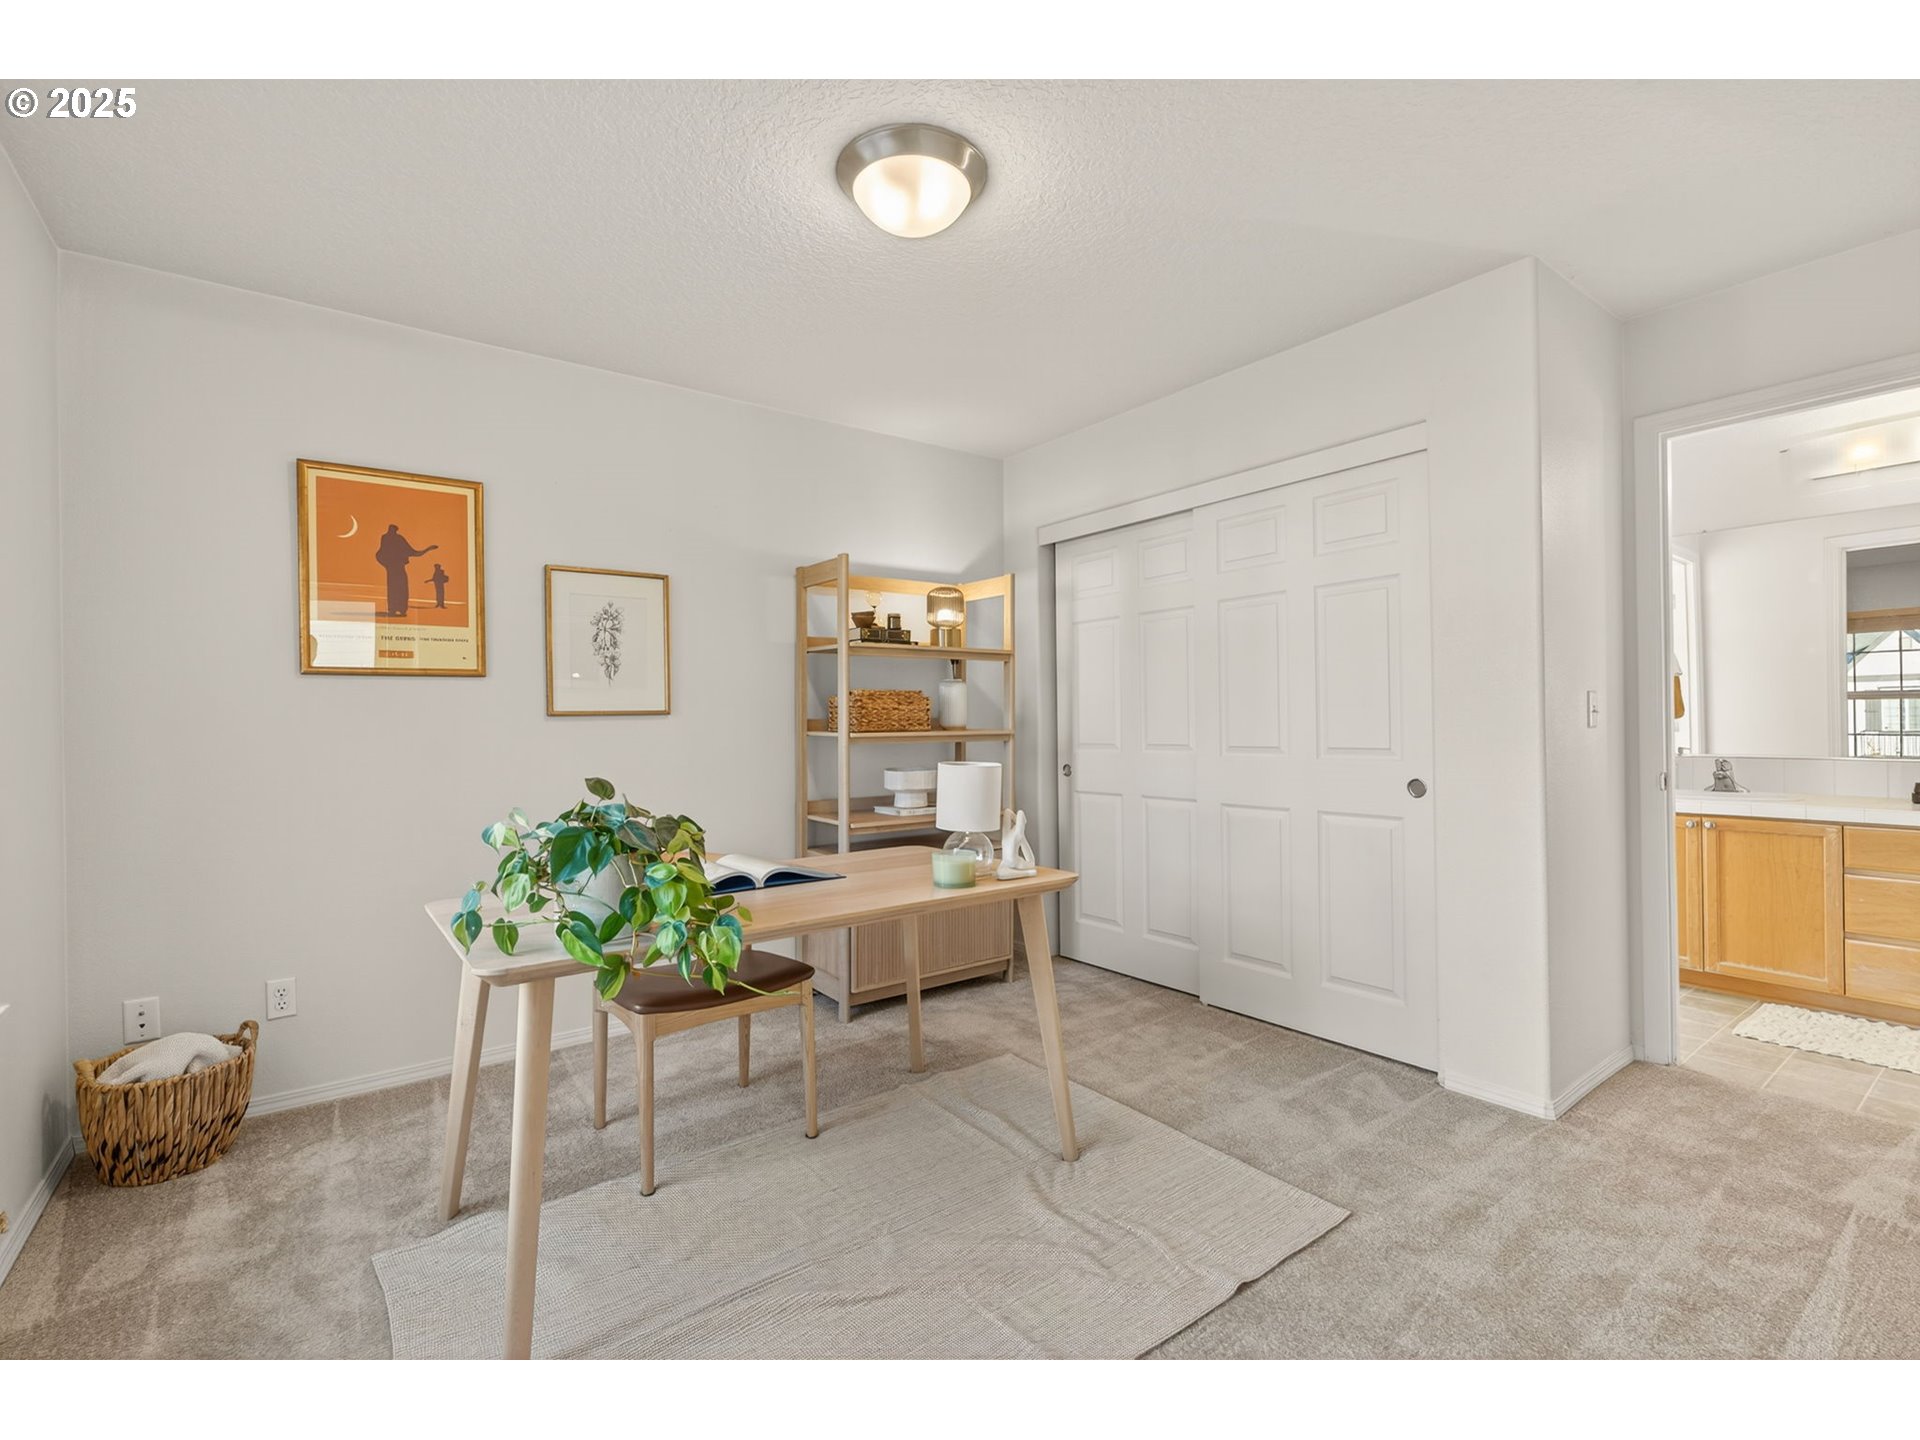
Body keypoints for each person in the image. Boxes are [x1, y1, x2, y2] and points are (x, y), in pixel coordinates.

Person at [373, 524, 438, 618]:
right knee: (398, 588)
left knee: (397, 588)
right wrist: (427, 549)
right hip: (394, 567)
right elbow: (412, 552)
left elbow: (411, 551)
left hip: (394, 568)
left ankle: (397, 609)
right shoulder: (390, 538)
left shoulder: (390, 538)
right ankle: (395, 609)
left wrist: (427, 549)